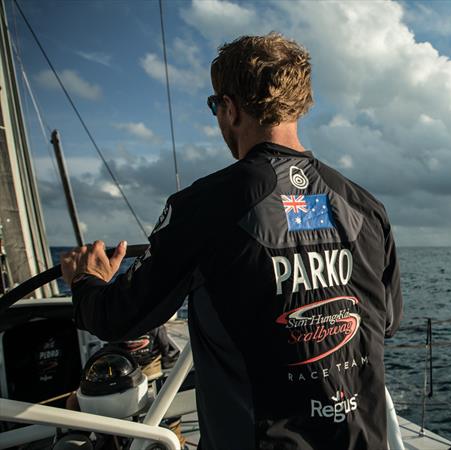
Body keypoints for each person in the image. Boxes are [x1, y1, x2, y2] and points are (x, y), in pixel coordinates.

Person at [60, 33, 403, 450]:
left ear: (230, 107)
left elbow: (120, 318)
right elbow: (386, 321)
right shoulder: (366, 207)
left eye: (214, 108)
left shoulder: (204, 207)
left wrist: (87, 282)